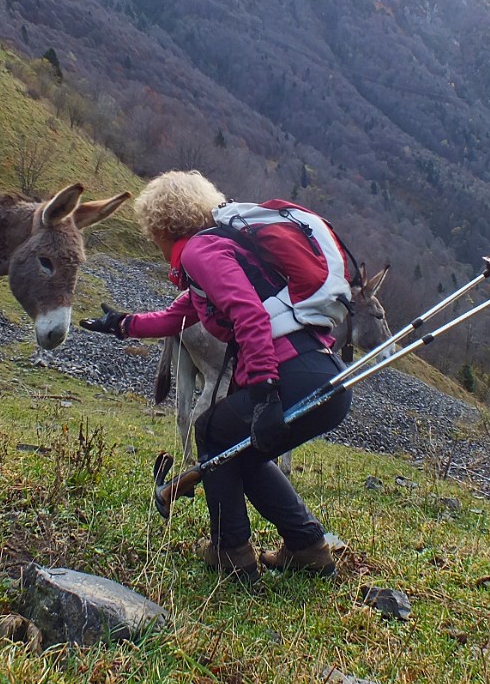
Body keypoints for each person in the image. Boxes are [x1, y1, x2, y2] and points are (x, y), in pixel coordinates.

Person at [81, 170, 352, 581]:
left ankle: (230, 551)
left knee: (211, 432)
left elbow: (250, 314)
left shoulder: (200, 253)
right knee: (242, 455)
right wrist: (121, 324)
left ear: (161, 224)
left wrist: (263, 390)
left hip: (292, 377)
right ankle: (307, 547)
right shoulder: (222, 252)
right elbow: (177, 315)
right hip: (323, 378)